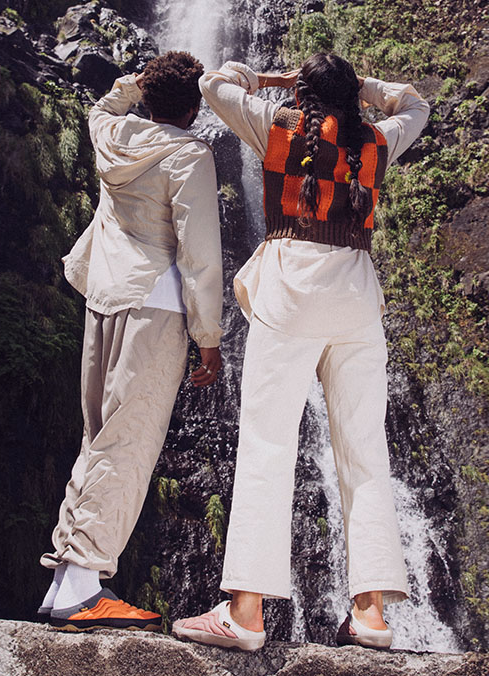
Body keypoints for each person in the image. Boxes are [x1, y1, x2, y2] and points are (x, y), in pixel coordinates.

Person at [171, 54, 430, 651]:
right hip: (356, 293)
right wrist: (364, 87)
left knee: (268, 440)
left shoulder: (274, 124)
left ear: (303, 93)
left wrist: (274, 81)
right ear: (353, 97)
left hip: (291, 287)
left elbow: (215, 82)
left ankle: (247, 612)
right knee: (365, 449)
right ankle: (370, 615)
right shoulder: (378, 139)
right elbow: (415, 102)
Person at [37, 51, 224, 632]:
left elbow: (100, 106)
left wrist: (132, 84)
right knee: (131, 441)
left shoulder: (112, 133)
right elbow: (199, 256)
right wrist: (209, 338)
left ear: (147, 96)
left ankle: (66, 578)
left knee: (100, 436)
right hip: (157, 305)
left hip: (105, 297)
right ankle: (83, 586)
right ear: (195, 107)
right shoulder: (190, 154)